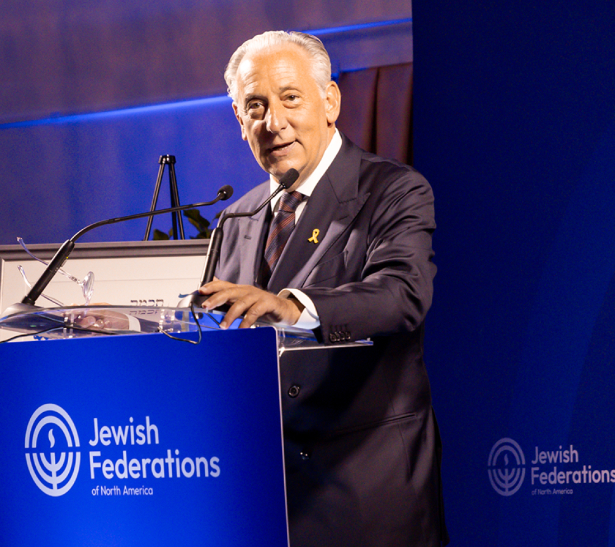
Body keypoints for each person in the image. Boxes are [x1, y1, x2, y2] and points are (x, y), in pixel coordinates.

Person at [197, 31, 448, 547]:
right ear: (240, 122)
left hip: (366, 500)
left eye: (290, 98)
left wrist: (291, 306)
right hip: (263, 504)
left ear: (329, 100)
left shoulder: (393, 190)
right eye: (255, 106)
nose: (274, 122)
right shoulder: (236, 218)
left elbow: (402, 294)